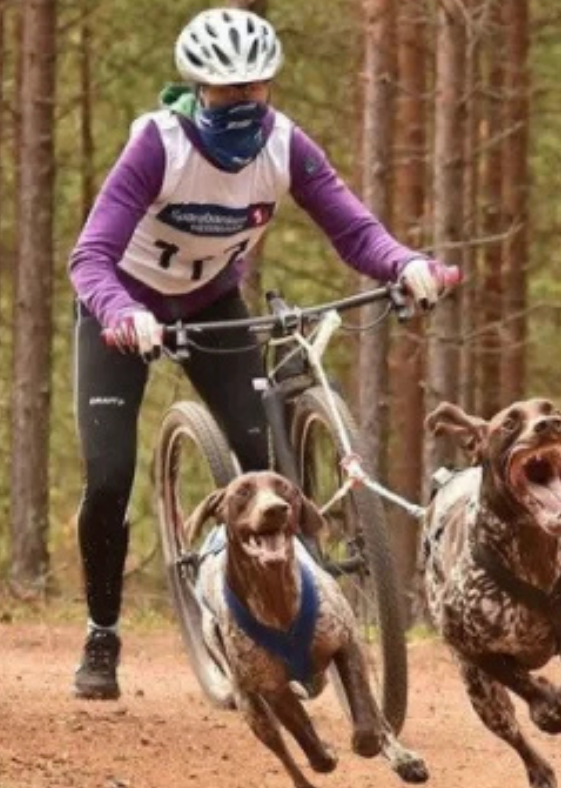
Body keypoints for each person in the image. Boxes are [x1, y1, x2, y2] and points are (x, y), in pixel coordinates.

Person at [67, 6, 456, 701]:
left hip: (212, 304)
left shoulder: (284, 146)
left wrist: (406, 265)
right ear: (198, 89)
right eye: (226, 90)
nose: (243, 101)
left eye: (255, 86)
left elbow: (354, 228)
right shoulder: (159, 146)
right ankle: (102, 631)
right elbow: (90, 256)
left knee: (266, 468)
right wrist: (122, 311)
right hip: (123, 306)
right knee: (108, 478)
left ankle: (276, 626)